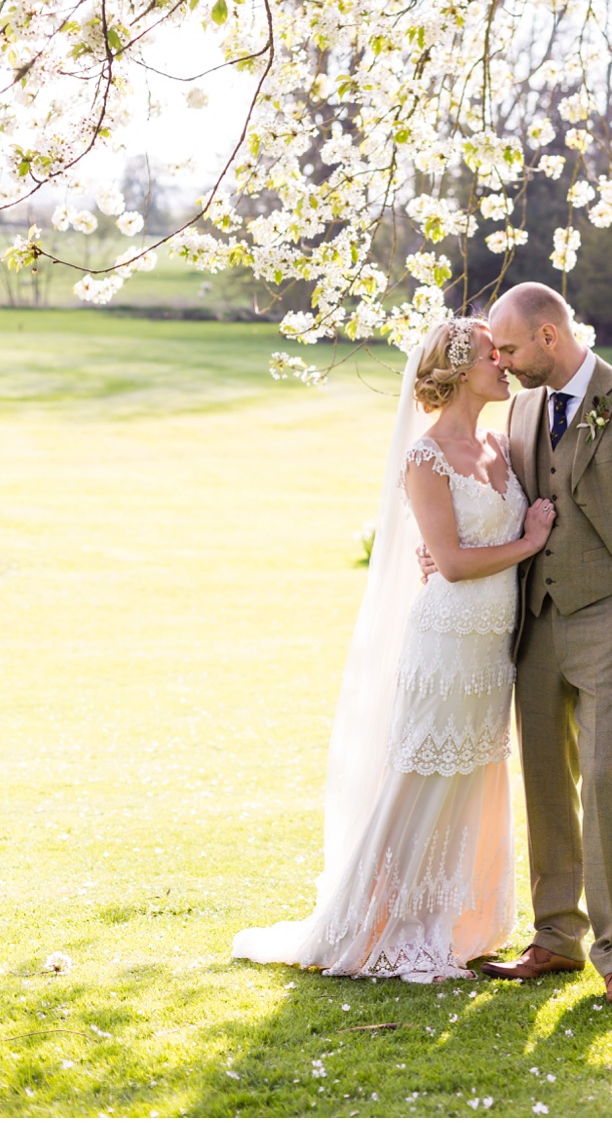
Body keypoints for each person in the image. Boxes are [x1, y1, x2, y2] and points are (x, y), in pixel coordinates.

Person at [232, 317, 556, 982]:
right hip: (444, 643)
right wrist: (528, 542)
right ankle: (382, 921)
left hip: (493, 647)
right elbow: (454, 563)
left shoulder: (502, 442)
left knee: (473, 778)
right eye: (493, 355)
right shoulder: (425, 457)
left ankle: (457, 924)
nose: (505, 363)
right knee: (423, 777)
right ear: (462, 368)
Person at [420, 283, 612, 1005]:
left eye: (510, 348)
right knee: (546, 785)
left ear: (550, 336)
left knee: (605, 782)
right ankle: (554, 941)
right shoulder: (518, 410)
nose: (503, 363)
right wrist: (440, 553)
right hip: (534, 627)